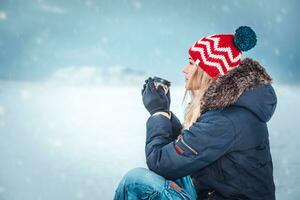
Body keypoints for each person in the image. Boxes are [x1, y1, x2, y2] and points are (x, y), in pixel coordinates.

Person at [113, 26, 277, 200]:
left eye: (191, 63)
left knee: (135, 181)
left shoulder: (224, 120)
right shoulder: (231, 109)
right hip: (214, 193)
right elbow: (194, 142)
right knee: (175, 172)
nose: (184, 69)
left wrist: (158, 112)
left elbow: (160, 163)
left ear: (209, 70)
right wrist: (165, 112)